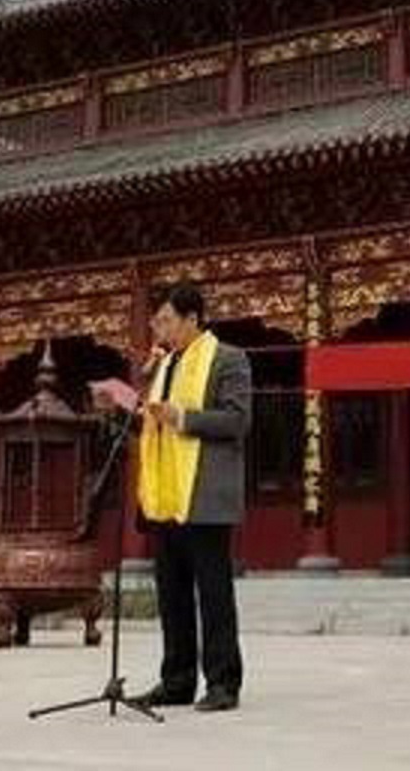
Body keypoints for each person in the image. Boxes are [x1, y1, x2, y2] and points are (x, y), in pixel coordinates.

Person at [116, 282, 251, 713]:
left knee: (213, 594)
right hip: (165, 495)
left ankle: (223, 682)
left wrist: (182, 417)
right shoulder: (162, 365)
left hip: (204, 494)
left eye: (166, 320)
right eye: (156, 321)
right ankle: (177, 680)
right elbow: (153, 425)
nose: (159, 329)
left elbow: (237, 420)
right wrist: (123, 410)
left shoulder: (228, 358)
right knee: (172, 595)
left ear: (192, 319)